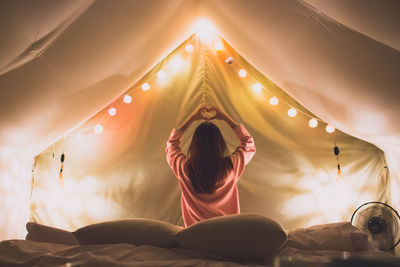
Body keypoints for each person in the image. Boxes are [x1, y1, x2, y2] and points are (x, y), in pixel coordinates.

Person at [166, 106, 256, 227]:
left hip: (195, 237)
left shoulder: (184, 168)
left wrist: (192, 118)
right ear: (220, 144)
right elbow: (248, 143)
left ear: (194, 145)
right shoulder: (231, 167)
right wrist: (224, 117)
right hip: (228, 234)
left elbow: (172, 144)